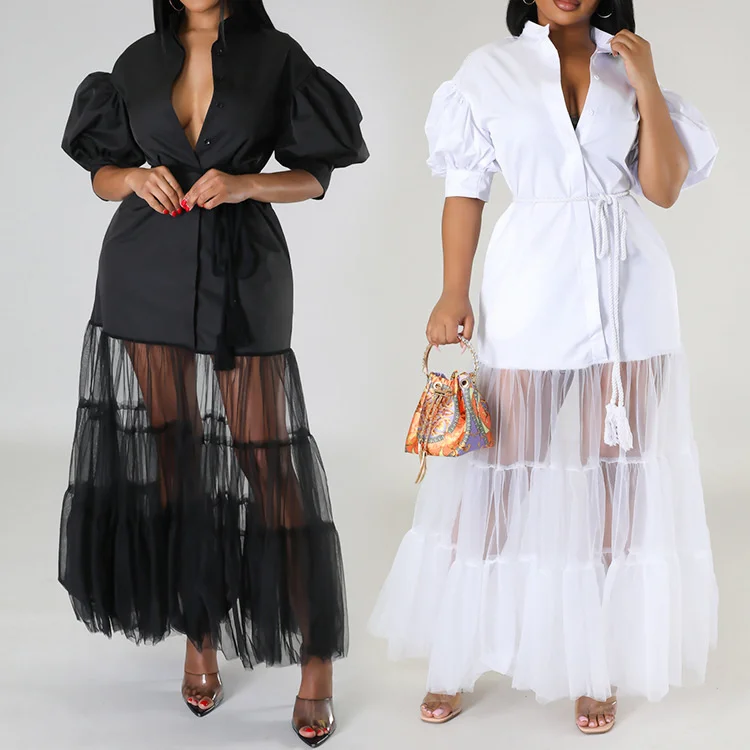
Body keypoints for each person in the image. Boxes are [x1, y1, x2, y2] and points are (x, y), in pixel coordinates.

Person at [370, 0, 717, 735]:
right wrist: (453, 290)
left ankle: (597, 665)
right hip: (528, 287)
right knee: (498, 477)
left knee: (618, 480)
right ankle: (457, 655)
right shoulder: (488, 71)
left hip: (630, 294)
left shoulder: (626, 66)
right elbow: (465, 189)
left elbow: (662, 188)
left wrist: (647, 80)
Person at [59, 0, 367, 744]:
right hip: (145, 270)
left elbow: (315, 176)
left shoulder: (277, 55)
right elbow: (101, 174)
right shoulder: (138, 60)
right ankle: (199, 635)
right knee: (175, 463)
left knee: (272, 466)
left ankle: (316, 658)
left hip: (242, 271)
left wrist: (245, 185)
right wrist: (133, 178)